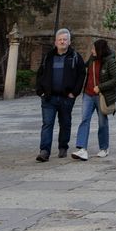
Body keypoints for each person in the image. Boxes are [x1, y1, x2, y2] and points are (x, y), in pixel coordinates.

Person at [35, 28, 85, 161]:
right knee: (47, 123)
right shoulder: (48, 57)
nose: (62, 42)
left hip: (66, 97)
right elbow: (40, 74)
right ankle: (44, 151)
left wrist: (74, 93)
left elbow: (81, 75)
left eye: (65, 40)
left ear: (69, 42)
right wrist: (40, 91)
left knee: (65, 123)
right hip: (49, 97)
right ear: (55, 42)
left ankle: (63, 147)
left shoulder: (75, 57)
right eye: (60, 39)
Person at [71, 38, 116, 160]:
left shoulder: (110, 61)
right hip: (88, 94)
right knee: (84, 119)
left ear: (100, 50)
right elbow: (82, 68)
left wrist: (100, 87)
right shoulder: (92, 59)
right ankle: (82, 149)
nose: (92, 51)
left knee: (102, 121)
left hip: (100, 96)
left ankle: (104, 148)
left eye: (94, 49)